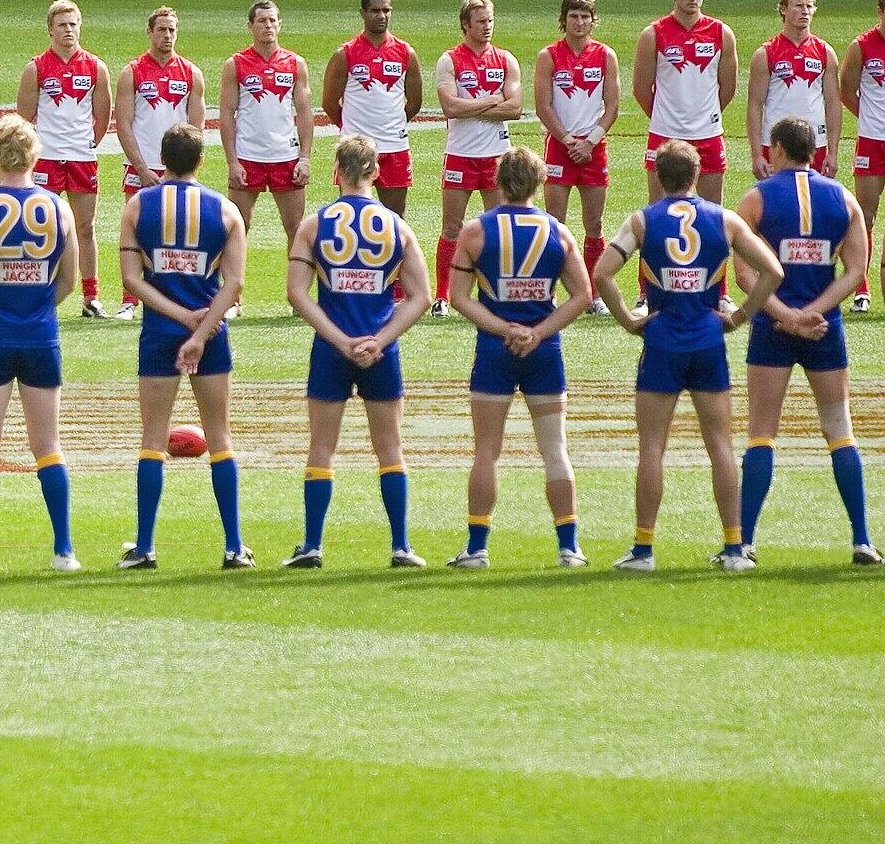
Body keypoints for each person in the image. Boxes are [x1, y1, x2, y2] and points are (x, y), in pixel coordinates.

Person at [591, 139, 784, 572]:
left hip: (660, 343)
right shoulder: (726, 220)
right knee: (720, 447)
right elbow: (773, 271)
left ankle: (643, 549)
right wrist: (741, 317)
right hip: (707, 342)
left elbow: (602, 272)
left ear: (659, 178)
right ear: (697, 176)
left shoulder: (642, 221)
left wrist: (626, 318)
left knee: (652, 450)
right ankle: (735, 548)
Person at [283, 133, 433, 569]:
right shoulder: (397, 226)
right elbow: (421, 297)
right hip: (380, 351)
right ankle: (401, 545)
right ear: (375, 172)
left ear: (336, 172)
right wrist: (379, 341)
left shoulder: (314, 224)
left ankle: (312, 545)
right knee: (390, 448)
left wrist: (338, 339)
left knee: (321, 448)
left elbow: (297, 293)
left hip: (332, 350)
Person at [733, 119, 877, 566]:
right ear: (814, 151)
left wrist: (785, 316)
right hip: (824, 328)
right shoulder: (845, 199)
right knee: (840, 430)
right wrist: (816, 311)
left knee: (762, 432)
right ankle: (862, 540)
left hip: (773, 330)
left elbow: (743, 274)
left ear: (776, 150)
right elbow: (856, 270)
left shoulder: (755, 199)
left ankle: (745, 544)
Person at [443, 147, 594, 569]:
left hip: (494, 349)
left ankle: (476, 548)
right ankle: (569, 547)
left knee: (486, 452)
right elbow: (581, 295)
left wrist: (503, 328)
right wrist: (538, 331)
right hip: (544, 350)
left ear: (497, 181)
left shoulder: (475, 232)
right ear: (540, 183)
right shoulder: (559, 233)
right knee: (555, 449)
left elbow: (458, 298)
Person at [116, 123, 250, 569]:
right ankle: (234, 546)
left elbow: (132, 279)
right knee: (220, 437)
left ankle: (145, 546)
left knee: (153, 438)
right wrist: (200, 331)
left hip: (159, 332)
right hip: (212, 334)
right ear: (201, 161)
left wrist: (179, 321)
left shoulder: (138, 206)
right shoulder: (226, 210)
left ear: (163, 159)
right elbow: (234, 283)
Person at [0, 114, 81, 572]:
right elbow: (69, 280)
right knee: (48, 445)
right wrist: (40, 305)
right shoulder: (58, 208)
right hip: (41, 335)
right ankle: (64, 550)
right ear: (35, 155)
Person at [17, 0, 113, 317]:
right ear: (50, 30)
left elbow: (103, 116)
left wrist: (85, 145)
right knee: (42, 229)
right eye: (62, 25)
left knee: (85, 228)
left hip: (82, 159)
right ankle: (37, 293)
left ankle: (91, 297)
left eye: (73, 24)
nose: (68, 30)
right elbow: (24, 117)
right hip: (46, 160)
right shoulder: (36, 68)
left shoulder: (96, 67)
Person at [220, 0, 314, 317]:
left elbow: (304, 113)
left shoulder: (294, 63)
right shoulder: (236, 64)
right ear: (250, 26)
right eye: (261, 21)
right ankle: (233, 300)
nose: (268, 26)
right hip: (249, 157)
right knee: (237, 228)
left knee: (296, 229)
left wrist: (305, 157)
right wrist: (232, 161)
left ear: (280, 24)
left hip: (286, 157)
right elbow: (226, 115)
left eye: (273, 20)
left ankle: (297, 300)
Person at [112, 6, 206, 320]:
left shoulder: (191, 73)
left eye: (172, 30)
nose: (167, 36)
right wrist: (141, 168)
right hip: (142, 168)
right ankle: (129, 300)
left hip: (178, 170)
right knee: (136, 231)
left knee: (177, 233)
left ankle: (174, 295)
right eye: (161, 30)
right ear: (150, 32)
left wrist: (186, 170)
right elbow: (123, 124)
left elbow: (196, 128)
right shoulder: (132, 72)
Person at [432, 0, 522, 315]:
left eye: (490, 21)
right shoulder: (450, 60)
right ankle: (442, 297)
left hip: (498, 156)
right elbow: (450, 107)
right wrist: (491, 102)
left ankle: (494, 292)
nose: (487, 27)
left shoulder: (506, 59)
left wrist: (473, 106)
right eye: (481, 22)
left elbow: (515, 108)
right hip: (459, 154)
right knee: (452, 228)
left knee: (499, 227)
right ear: (465, 24)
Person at [535, 0, 618, 313]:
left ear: (593, 20)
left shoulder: (605, 55)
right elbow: (543, 106)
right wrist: (569, 141)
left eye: (585, 16)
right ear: (564, 20)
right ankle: (550, 292)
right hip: (560, 148)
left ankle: (593, 295)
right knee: (555, 223)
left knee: (594, 224)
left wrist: (590, 141)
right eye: (573, 16)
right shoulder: (549, 56)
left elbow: (611, 106)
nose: (579, 22)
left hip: (593, 149)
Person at [633, 0, 738, 209]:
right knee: (659, 209)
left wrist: (705, 115)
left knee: (712, 211)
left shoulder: (721, 33)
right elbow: (640, 87)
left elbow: (729, 87)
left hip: (709, 135)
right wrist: (663, 116)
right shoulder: (653, 34)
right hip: (664, 134)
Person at [322, 0, 422, 216]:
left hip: (394, 147)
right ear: (363, 13)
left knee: (396, 218)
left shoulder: (406, 53)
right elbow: (330, 102)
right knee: (350, 215)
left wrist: (392, 123)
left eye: (387, 10)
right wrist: (351, 128)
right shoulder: (345, 54)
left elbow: (415, 101)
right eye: (375, 10)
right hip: (355, 149)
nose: (382, 16)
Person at [747, 0, 837, 181]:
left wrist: (833, 152)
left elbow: (832, 103)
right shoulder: (765, 53)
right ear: (783, 9)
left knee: (814, 206)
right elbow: (755, 105)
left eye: (809, 6)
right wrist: (756, 155)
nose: (805, 11)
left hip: (816, 142)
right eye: (798, 6)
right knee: (778, 206)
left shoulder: (825, 52)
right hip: (777, 144)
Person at [839, 0, 885, 312]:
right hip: (871, 141)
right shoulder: (861, 46)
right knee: (865, 216)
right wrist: (869, 118)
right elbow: (845, 91)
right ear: (880, 12)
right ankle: (861, 287)